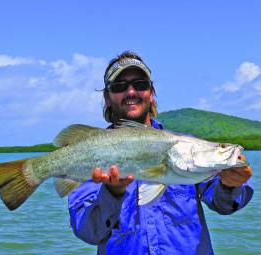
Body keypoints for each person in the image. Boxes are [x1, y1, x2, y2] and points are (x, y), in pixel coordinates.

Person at [68, 51, 254, 254]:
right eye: (120, 86)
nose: (131, 92)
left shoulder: (183, 146)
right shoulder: (86, 153)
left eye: (140, 84)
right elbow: (88, 232)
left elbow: (225, 205)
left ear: (151, 92)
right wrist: (112, 193)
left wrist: (230, 185)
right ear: (107, 97)